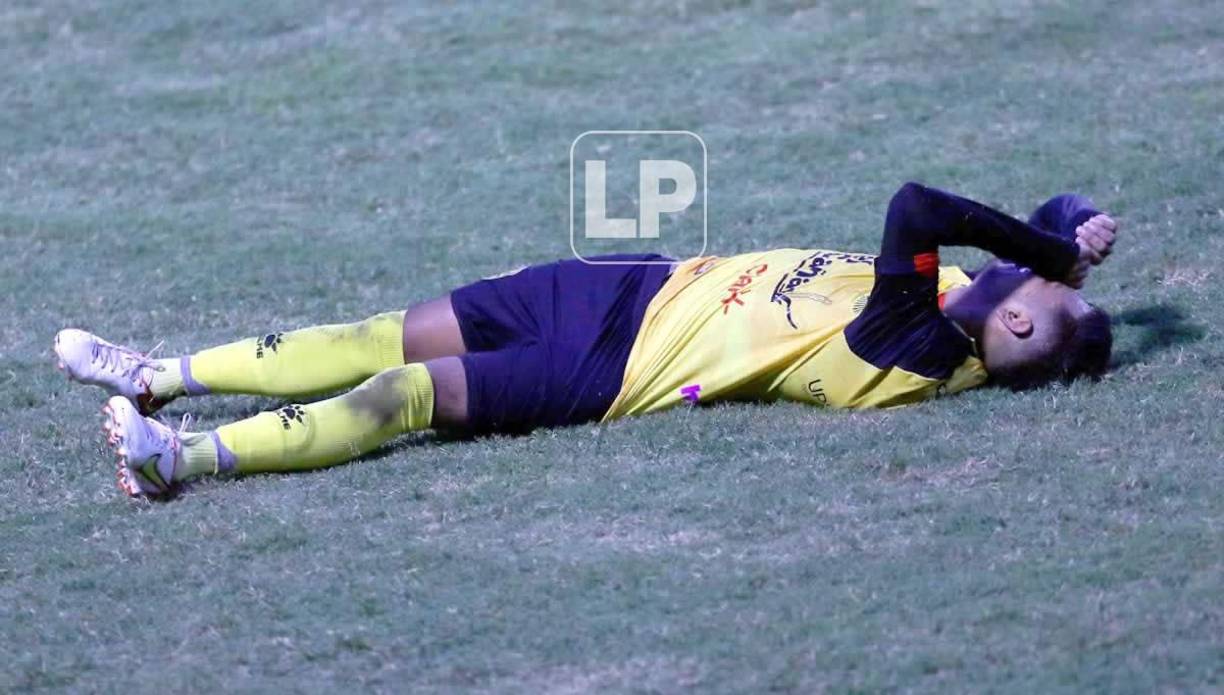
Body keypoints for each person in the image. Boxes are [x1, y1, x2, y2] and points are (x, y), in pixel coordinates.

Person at [54, 183, 1118, 497]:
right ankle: (157, 375)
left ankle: (179, 458)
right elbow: (1039, 214)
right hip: (620, 289)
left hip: (608, 367)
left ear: (1017, 317)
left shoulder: (918, 342)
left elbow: (919, 202)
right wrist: (1068, 231)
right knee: (379, 329)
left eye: (1036, 283)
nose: (1023, 270)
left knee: (401, 389)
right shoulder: (965, 302)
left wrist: (1051, 250)